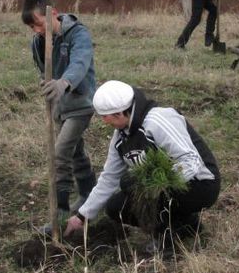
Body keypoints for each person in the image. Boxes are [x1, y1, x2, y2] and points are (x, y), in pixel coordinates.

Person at [64, 80, 220, 249]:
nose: (104, 121)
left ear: (119, 113)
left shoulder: (158, 120)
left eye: (104, 117)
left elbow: (191, 160)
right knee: (116, 206)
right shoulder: (120, 137)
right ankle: (186, 225)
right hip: (166, 189)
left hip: (200, 184)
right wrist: (82, 216)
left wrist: (156, 184)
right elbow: (109, 178)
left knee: (131, 183)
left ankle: (168, 239)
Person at [22, 0, 96, 232]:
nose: (36, 30)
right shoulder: (38, 41)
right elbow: (42, 70)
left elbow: (80, 63)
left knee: (61, 153)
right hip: (60, 108)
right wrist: (45, 84)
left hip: (81, 104)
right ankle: (89, 195)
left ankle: (62, 213)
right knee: (76, 154)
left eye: (39, 24)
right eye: (32, 27)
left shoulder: (78, 34)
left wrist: (63, 83)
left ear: (52, 13)